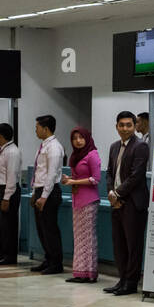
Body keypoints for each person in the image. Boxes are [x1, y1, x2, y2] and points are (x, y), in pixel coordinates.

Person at [106, 111, 150, 295]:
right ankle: (122, 279)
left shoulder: (140, 146)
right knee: (119, 244)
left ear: (135, 126)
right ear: (116, 126)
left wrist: (117, 194)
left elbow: (136, 176)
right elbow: (109, 172)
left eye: (129, 125)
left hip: (133, 203)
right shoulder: (114, 146)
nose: (125, 128)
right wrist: (111, 192)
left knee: (133, 245)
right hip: (116, 201)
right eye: (121, 125)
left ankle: (131, 283)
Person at [62, 127, 102, 283]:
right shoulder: (76, 155)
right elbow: (78, 176)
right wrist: (69, 179)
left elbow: (95, 179)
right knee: (79, 237)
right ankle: (80, 272)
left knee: (87, 237)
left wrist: (74, 181)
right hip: (77, 199)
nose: (78, 141)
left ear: (87, 138)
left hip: (89, 200)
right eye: (74, 138)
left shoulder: (93, 154)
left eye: (81, 137)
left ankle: (89, 272)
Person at [31, 115, 65, 275]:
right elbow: (39, 171)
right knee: (42, 228)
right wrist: (34, 192)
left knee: (50, 228)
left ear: (46, 128)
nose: (35, 130)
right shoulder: (44, 145)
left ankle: (56, 263)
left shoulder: (54, 147)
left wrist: (43, 196)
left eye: (37, 127)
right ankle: (48, 259)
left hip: (49, 192)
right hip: (40, 190)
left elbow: (51, 174)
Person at [0, 123, 22, 265]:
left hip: (8, 191)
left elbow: (12, 176)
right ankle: (1, 253)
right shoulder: (1, 150)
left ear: (1, 136)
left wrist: (6, 197)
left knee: (8, 225)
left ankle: (10, 256)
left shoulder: (12, 152)